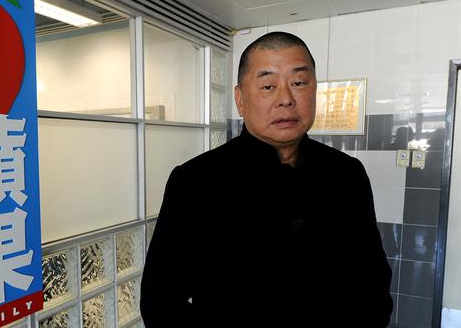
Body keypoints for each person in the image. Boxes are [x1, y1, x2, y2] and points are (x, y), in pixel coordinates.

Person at [140, 32, 393, 327]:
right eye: (268, 85)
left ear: (314, 91)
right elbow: (161, 302)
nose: (285, 99)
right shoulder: (197, 180)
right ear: (240, 99)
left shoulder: (346, 173)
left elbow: (373, 279)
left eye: (299, 83)